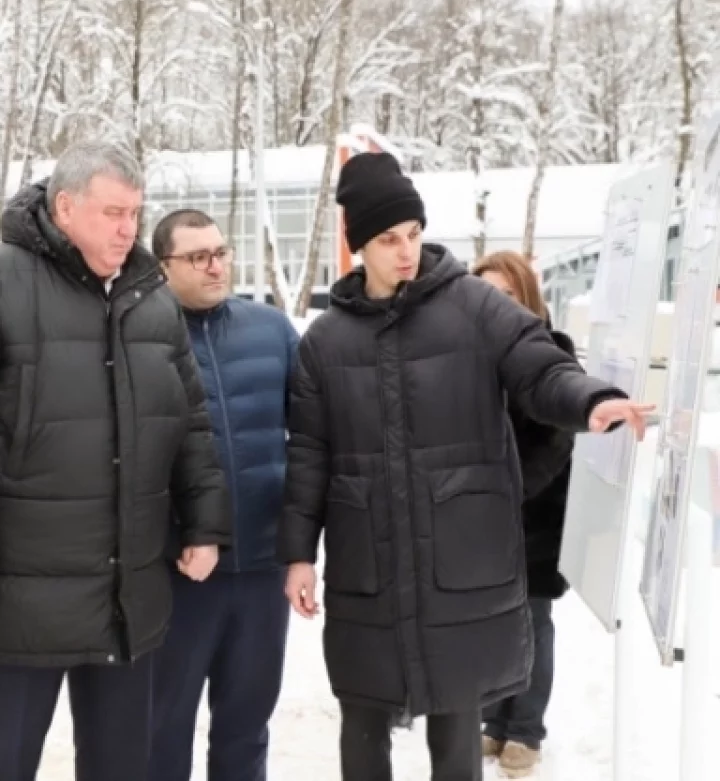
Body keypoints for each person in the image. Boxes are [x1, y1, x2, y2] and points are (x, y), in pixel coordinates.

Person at [277, 151, 653, 781]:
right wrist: (297, 555)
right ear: (358, 244)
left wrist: (589, 400)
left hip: (460, 561)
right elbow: (309, 452)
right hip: (366, 564)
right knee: (362, 722)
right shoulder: (325, 342)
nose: (406, 251)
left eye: (414, 233)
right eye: (389, 239)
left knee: (456, 726)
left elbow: (540, 364)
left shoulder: (475, 307)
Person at [0, 140, 230, 781]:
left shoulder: (150, 298)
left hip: (126, 588)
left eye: (134, 213)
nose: (127, 229)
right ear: (65, 207)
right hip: (19, 590)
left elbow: (189, 421)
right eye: (112, 213)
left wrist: (205, 524)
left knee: (121, 764)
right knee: (7, 762)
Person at [148, 209, 297, 781]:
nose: (215, 266)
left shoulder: (272, 331)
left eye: (220, 252)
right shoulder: (141, 340)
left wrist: (299, 541)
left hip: (262, 566)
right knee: (163, 725)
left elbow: (311, 437)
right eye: (197, 257)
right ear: (163, 267)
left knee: (247, 724)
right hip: (180, 574)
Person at [473, 251, 576, 778]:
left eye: (508, 295)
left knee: (532, 621)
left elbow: (557, 439)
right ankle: (494, 718)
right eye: (487, 294)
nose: (497, 305)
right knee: (490, 623)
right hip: (478, 516)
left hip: (533, 515)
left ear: (528, 299)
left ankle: (526, 729)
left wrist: (511, 493)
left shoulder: (551, 352)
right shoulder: (466, 356)